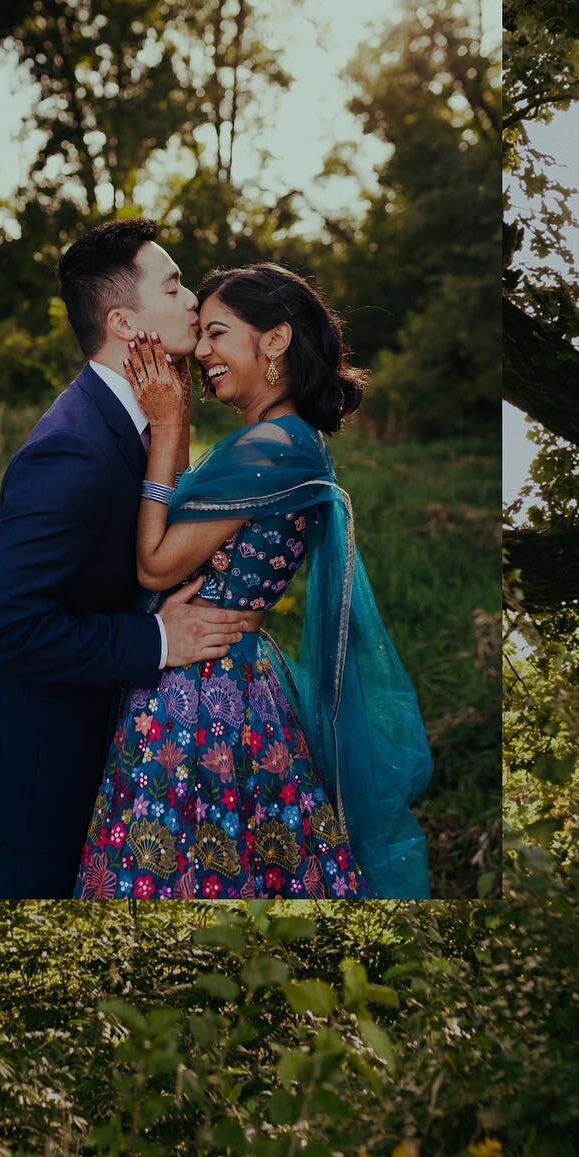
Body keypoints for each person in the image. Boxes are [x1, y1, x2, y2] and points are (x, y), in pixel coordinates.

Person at [74, 262, 432, 900]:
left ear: (275, 341)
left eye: (217, 333)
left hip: (196, 690)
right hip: (236, 674)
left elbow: (156, 563)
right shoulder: (287, 440)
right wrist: (178, 423)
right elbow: (189, 516)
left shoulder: (270, 445)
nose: (202, 349)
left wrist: (162, 430)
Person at [0, 219, 261, 898]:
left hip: (118, 762)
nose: (195, 302)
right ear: (126, 323)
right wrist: (159, 638)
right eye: (175, 286)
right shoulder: (71, 449)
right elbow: (0, 628)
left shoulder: (140, 416)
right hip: (47, 786)